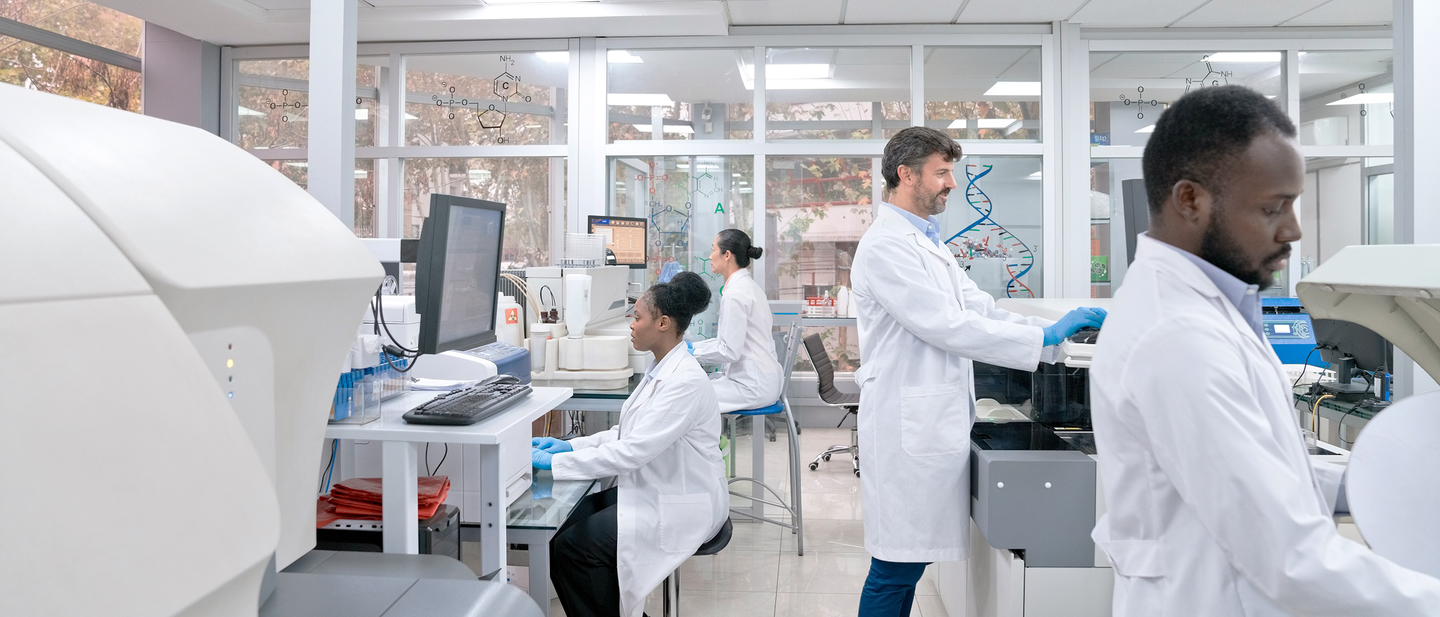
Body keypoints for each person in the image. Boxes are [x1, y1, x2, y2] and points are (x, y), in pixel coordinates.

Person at [1089, 85, 1440, 616]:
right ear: (1191, 201)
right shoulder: (1179, 337)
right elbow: (1289, 559)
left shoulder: (1205, 311)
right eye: (1273, 208)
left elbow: (1262, 475)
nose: (1293, 229)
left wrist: (1388, 476)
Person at [850, 126, 1107, 616]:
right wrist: (1043, 339)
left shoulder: (928, 242)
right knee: (895, 567)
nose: (951, 183)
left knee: (908, 564)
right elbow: (945, 326)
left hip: (930, 422)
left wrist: (1054, 335)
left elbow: (980, 308)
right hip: (907, 426)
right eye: (941, 172)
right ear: (906, 174)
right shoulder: (886, 245)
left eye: (952, 172)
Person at [530, 271, 728, 617]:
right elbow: (628, 433)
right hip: (656, 488)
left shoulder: (684, 382)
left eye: (637, 317)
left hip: (681, 503)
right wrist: (572, 447)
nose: (631, 325)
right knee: (562, 530)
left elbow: (632, 453)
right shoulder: (661, 369)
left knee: (574, 550)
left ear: (663, 323)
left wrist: (555, 465)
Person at [690, 229, 783, 413]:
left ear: (727, 255)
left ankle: (710, 442)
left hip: (753, 386)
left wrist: (692, 353)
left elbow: (729, 351)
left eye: (713, 250)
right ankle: (714, 441)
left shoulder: (736, 294)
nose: (709, 256)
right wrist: (693, 348)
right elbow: (728, 342)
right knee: (696, 389)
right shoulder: (748, 287)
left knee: (687, 396)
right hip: (762, 379)